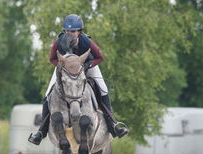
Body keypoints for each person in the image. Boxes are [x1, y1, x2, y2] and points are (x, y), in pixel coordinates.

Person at [28, 14, 129, 145]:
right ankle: (41, 132)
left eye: (73, 31)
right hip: (65, 69)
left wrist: (87, 65)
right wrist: (63, 67)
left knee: (103, 89)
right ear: (64, 31)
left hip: (87, 66)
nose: (70, 33)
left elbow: (100, 57)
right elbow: (52, 58)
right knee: (48, 94)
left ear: (79, 31)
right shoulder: (59, 42)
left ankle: (113, 126)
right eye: (68, 31)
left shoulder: (86, 41)